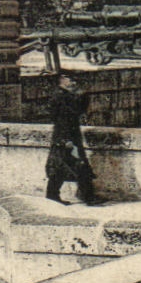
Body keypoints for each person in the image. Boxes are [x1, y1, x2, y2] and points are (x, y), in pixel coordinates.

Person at [46, 73, 98, 204]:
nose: (74, 82)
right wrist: (66, 139)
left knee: (62, 166)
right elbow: (64, 119)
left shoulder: (60, 95)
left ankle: (53, 195)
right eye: (71, 79)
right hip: (67, 137)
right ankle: (89, 198)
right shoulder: (62, 97)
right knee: (76, 165)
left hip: (64, 136)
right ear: (62, 80)